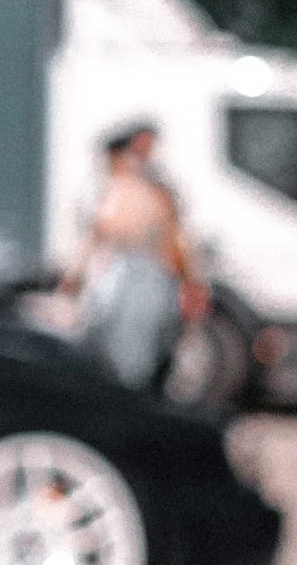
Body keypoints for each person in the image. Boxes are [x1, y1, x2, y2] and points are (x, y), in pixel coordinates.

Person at [61, 122, 206, 393]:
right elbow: (96, 239)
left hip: (144, 284)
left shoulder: (149, 191)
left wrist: (190, 280)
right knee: (127, 364)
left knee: (138, 363)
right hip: (126, 285)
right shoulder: (117, 191)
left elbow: (175, 241)